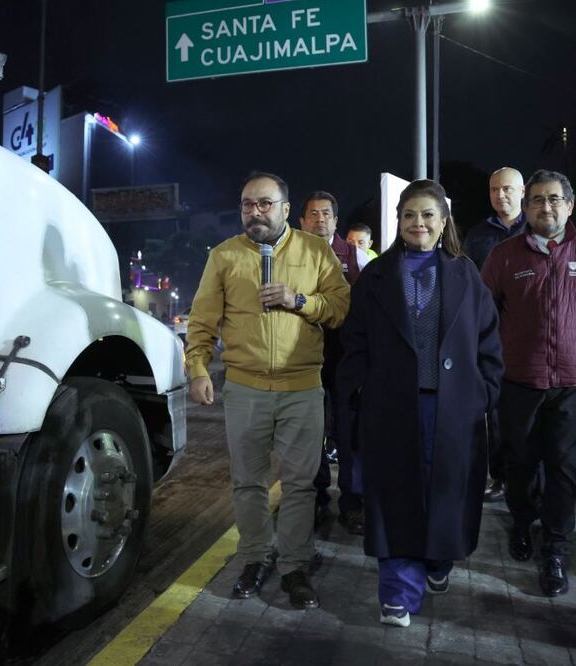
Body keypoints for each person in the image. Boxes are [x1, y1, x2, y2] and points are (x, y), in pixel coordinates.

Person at [337, 180, 503, 628]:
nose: (418, 223)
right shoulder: (375, 276)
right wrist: (356, 396)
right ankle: (397, 591)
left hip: (453, 411)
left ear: (443, 220)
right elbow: (354, 344)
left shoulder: (467, 274)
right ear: (398, 221)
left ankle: (438, 561)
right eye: (409, 214)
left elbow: (489, 342)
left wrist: (484, 393)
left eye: (428, 214)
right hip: (390, 408)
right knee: (394, 495)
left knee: (446, 493)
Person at [185, 172, 350, 609]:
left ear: (283, 208)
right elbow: (202, 321)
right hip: (244, 388)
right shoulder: (224, 256)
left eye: (263, 204)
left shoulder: (315, 251)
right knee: (248, 484)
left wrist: (299, 301)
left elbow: (339, 307)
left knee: (299, 486)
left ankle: (294, 566)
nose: (253, 212)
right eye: (246, 205)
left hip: (302, 388)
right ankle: (255, 558)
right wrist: (199, 368)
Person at [481, 169, 576, 597]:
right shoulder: (504, 256)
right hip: (519, 377)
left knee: (563, 466)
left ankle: (556, 547)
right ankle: (522, 522)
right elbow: (487, 312)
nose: (546, 207)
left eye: (554, 199)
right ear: (527, 208)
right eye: (537, 200)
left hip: (574, 380)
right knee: (520, 461)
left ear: (570, 205)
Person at [298, 191, 369, 535]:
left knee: (350, 433)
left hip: (346, 363)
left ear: (336, 221)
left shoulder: (357, 257)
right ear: (301, 221)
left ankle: (353, 502)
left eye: (326, 213)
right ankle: (316, 500)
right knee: (310, 434)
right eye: (313, 214)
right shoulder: (291, 259)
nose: (320, 219)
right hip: (305, 363)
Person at [465, 167, 526, 502]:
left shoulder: (536, 229)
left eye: (506, 189)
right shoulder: (478, 234)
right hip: (490, 336)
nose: (499, 195)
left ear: (521, 191)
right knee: (495, 414)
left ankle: (528, 479)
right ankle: (500, 477)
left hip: (530, 337)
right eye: (493, 190)